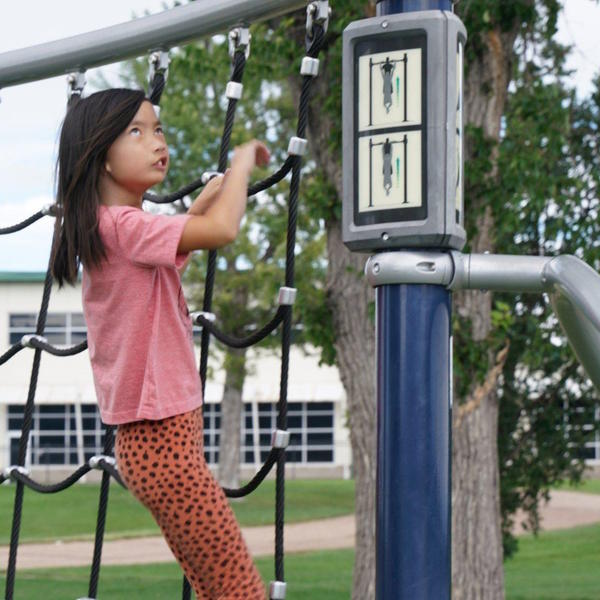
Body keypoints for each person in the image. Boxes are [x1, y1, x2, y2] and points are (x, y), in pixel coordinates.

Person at [50, 88, 269, 599]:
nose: (156, 142)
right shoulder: (126, 227)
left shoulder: (111, 231)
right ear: (101, 155)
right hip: (164, 445)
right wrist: (239, 168)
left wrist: (199, 203)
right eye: (136, 132)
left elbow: (166, 265)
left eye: (158, 129)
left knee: (217, 586)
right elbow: (221, 230)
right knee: (238, 587)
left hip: (155, 448)